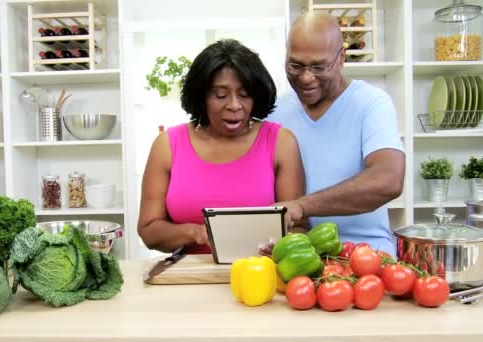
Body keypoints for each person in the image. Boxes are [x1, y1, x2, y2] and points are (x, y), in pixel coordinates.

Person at [137, 39, 305, 254]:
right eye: (220, 95)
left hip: (262, 275)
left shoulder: (281, 142)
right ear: (202, 96)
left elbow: (299, 227)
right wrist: (197, 232)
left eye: (244, 94)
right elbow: (149, 230)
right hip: (190, 278)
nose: (235, 105)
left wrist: (282, 244)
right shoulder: (168, 145)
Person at [266, 13, 405, 255]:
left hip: (367, 253)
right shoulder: (275, 113)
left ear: (341, 58)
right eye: (296, 65)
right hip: (300, 257)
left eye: (319, 66)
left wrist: (302, 206)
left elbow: (389, 180)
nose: (306, 77)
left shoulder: (371, 103)